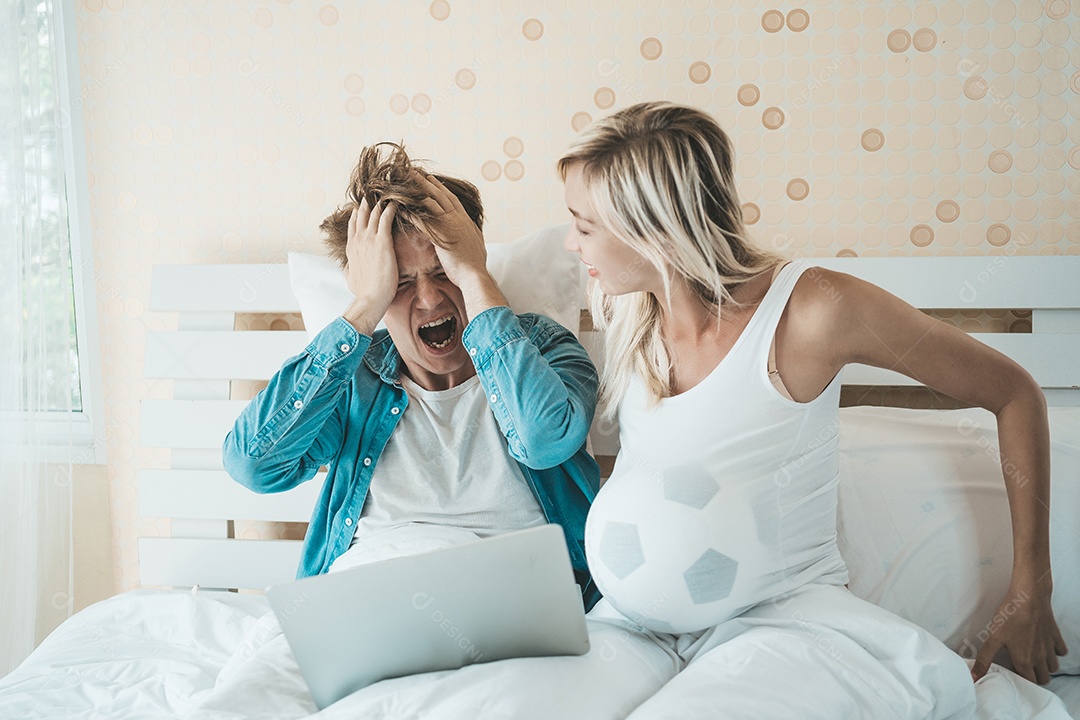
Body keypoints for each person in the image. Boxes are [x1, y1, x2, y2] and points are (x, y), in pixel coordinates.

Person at [558, 101, 1070, 718]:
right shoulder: (630, 309)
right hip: (633, 627)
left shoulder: (813, 311)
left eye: (584, 226)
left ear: (655, 230)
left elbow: (1014, 392)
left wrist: (1030, 589)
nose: (570, 243)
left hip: (782, 625)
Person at [223, 141, 601, 600]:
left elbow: (544, 441)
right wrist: (365, 305)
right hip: (375, 597)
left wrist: (475, 277)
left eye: (444, 272)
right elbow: (254, 465)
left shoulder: (546, 349)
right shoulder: (354, 383)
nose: (429, 299)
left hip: (514, 599)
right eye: (400, 283)